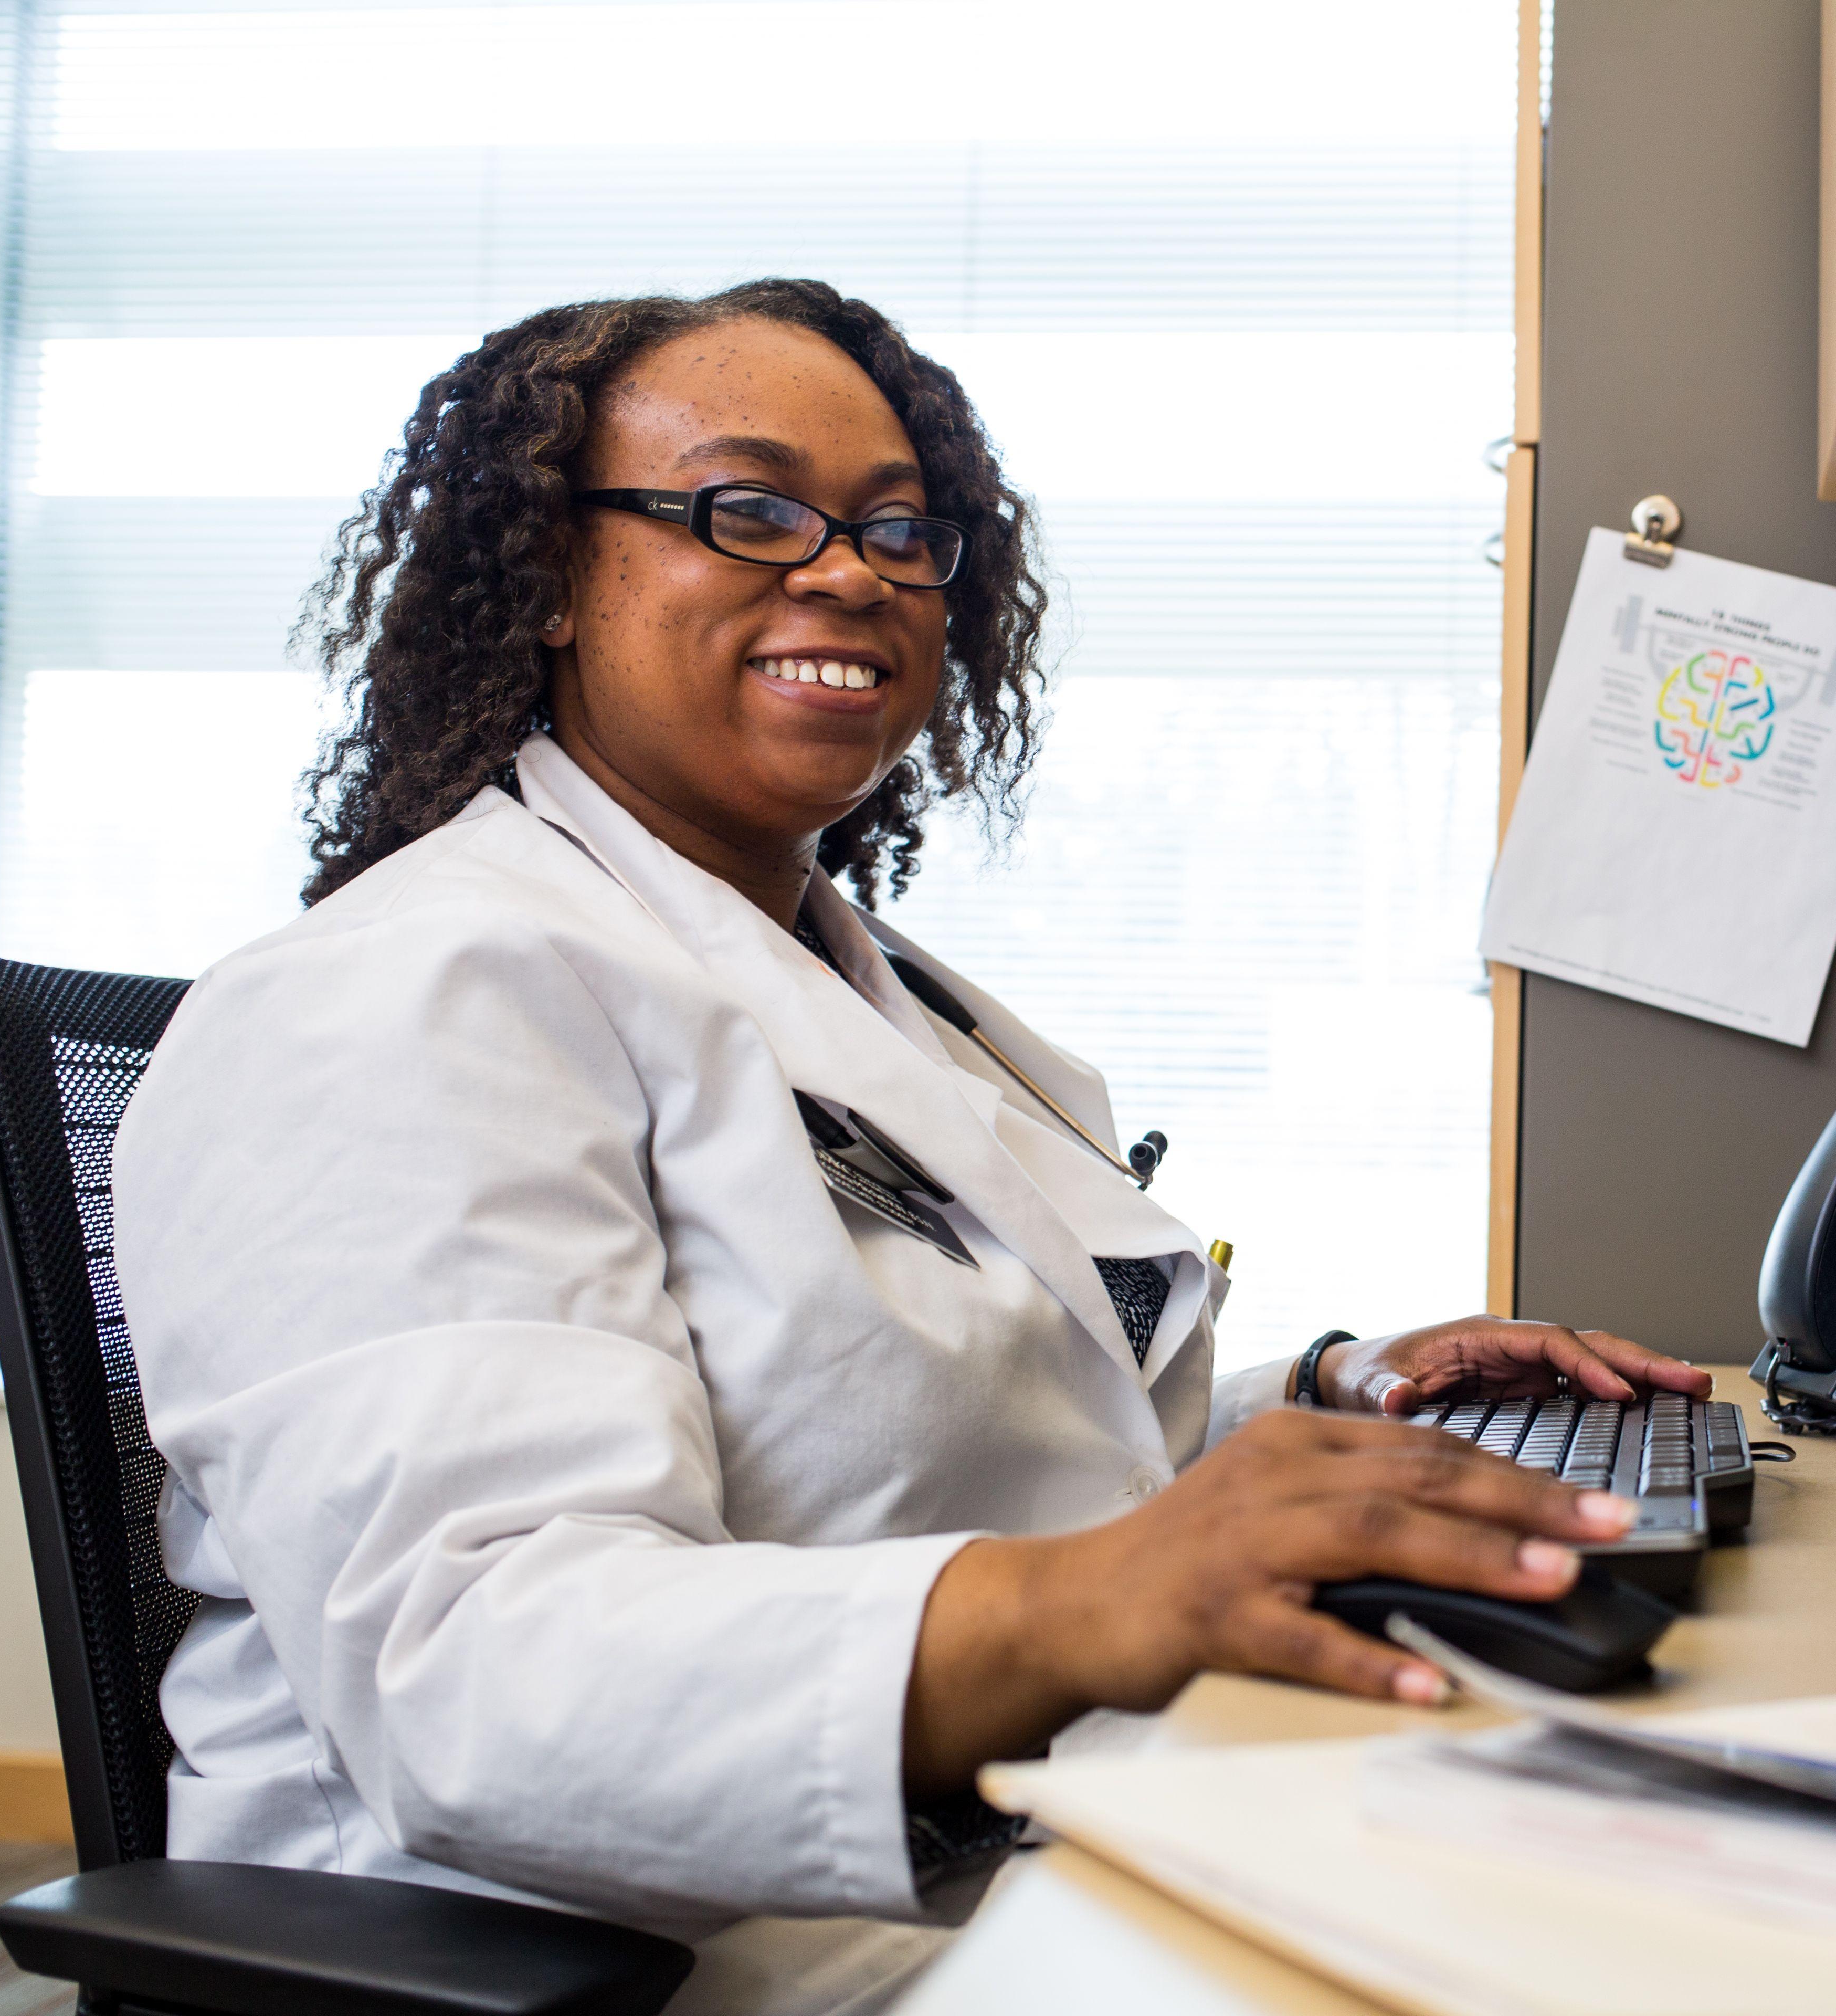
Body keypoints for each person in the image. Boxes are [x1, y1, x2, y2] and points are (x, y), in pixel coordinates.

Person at [111, 278, 1711, 2014]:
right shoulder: (396, 997)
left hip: (985, 1852)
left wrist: (1325, 1400)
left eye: (897, 529)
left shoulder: (873, 995)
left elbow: (959, 1445)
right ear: (556, 577)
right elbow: (479, 1681)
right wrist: (1073, 1609)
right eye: (749, 509)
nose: (851, 571)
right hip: (608, 1959)